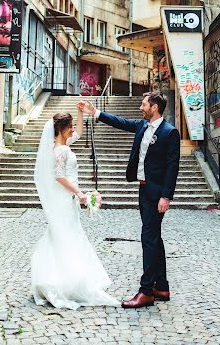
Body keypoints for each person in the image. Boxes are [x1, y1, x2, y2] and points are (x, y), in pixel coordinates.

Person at [79, 91, 180, 309]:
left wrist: (166, 196)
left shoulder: (169, 132)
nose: (141, 108)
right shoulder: (143, 126)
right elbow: (121, 122)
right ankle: (161, 287)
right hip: (143, 190)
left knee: (148, 238)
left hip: (156, 194)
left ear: (154, 107)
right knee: (154, 238)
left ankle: (146, 292)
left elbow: (173, 167)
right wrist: (95, 112)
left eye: (144, 104)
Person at [31, 106, 118, 310]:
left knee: (61, 235)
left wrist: (80, 112)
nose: (72, 130)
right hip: (64, 198)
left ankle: (58, 277)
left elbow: (78, 133)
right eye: (69, 127)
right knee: (66, 235)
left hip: (67, 199)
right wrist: (79, 193)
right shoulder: (59, 151)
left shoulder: (63, 143)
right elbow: (59, 177)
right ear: (61, 130)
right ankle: (65, 280)